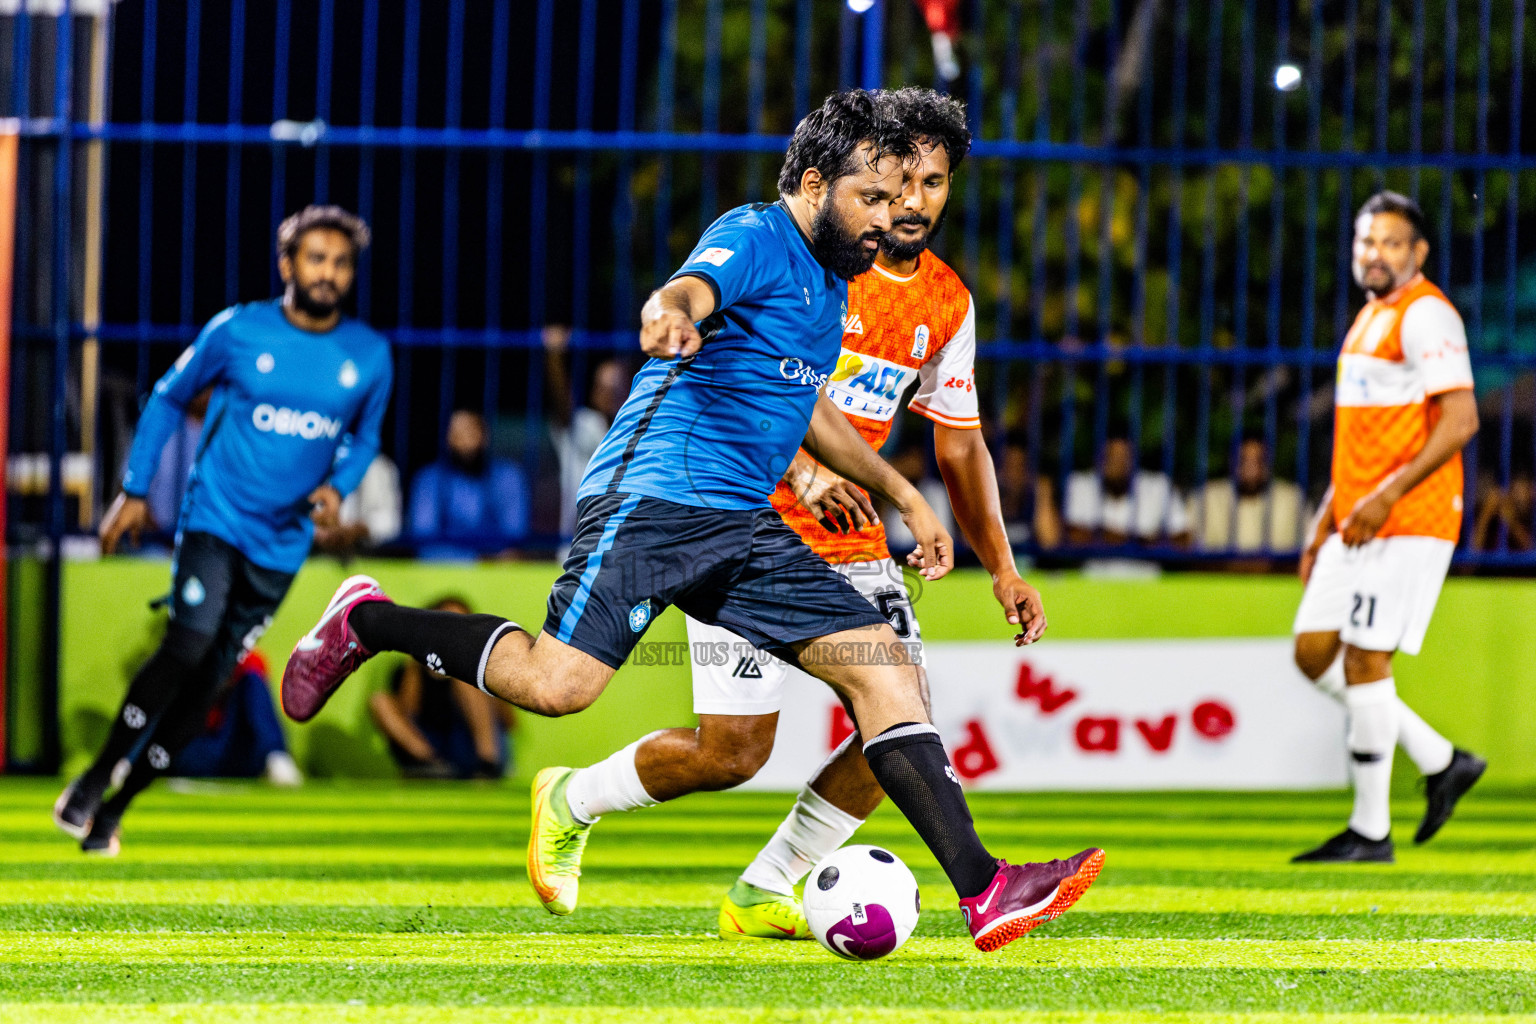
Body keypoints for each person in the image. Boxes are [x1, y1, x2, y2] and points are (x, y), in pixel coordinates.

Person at [284, 90, 1101, 953]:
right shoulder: (755, 234)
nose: (893, 214)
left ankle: (987, 889)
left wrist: (902, 496)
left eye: (910, 195)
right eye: (874, 196)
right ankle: (366, 622)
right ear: (817, 184)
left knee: (886, 673)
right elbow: (687, 289)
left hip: (745, 524)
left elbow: (806, 409)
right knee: (558, 688)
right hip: (656, 500)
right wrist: (668, 313)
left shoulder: (834, 285)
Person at [519, 87, 1071, 944]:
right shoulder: (817, 261)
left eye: (931, 184)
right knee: (732, 752)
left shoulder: (946, 304)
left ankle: (770, 886)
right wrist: (806, 467)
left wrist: (999, 562)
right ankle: (573, 796)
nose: (912, 202)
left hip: (850, 542)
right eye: (896, 182)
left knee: (899, 705)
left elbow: (960, 443)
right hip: (743, 518)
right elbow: (766, 378)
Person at [53, 204, 392, 855]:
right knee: (187, 643)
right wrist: (132, 490)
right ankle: (97, 776)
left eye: (341, 262)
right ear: (286, 263)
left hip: (283, 544)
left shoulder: (369, 355)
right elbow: (168, 395)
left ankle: (116, 809)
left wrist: (338, 485)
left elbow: (366, 435)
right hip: (216, 517)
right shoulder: (239, 329)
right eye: (316, 258)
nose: (329, 273)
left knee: (213, 679)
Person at [1291, 191, 1486, 863]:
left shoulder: (1426, 313)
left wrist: (1383, 497)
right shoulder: (1370, 317)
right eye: (1366, 243)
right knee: (1314, 653)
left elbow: (1461, 422)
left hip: (1409, 518)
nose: (1375, 254)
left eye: (1391, 243)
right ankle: (1441, 759)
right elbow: (1361, 442)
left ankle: (1370, 831)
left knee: (1366, 659)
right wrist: (1326, 519)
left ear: (1418, 252)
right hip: (1355, 521)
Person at [368, 596, 513, 779]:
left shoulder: (484, 665)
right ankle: (429, 764)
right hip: (433, 749)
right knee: (379, 700)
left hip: (470, 747)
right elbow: (408, 714)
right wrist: (417, 657)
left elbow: (509, 723)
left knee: (464, 679)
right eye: (448, 622)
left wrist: (474, 672)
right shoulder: (413, 669)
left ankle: (488, 764)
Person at [543, 324, 632, 541]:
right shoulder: (582, 424)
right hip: (578, 544)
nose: (612, 395)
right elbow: (562, 401)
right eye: (605, 388)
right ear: (593, 393)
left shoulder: (640, 427)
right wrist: (554, 356)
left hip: (626, 543)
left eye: (619, 388)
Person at [407, 409, 529, 559]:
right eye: (457, 435)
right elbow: (424, 537)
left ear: (485, 436)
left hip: (497, 569)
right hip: (442, 568)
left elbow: (515, 535)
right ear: (447, 439)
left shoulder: (508, 476)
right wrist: (475, 561)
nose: (466, 442)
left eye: (471, 433)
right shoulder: (429, 479)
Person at [172, 649, 303, 786]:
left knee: (252, 680)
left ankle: (276, 756)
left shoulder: (242, 660)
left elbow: (254, 665)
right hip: (193, 753)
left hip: (237, 750)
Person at [1064, 435, 1190, 546]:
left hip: (1146, 572)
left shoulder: (1159, 486)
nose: (1117, 464)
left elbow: (1183, 538)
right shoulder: (1080, 484)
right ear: (1097, 458)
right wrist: (1143, 542)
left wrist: (1101, 534)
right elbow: (1073, 535)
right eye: (1110, 457)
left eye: (1124, 457)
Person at [1192, 437, 1304, 553]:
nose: (1252, 469)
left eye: (1259, 461)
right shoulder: (1207, 497)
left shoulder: (1291, 498)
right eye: (1243, 461)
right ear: (1231, 462)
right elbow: (1186, 547)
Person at [316, 453, 403, 555]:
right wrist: (315, 529)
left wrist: (357, 530)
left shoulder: (379, 466)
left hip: (369, 553)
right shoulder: (318, 462)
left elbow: (390, 523)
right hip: (316, 552)